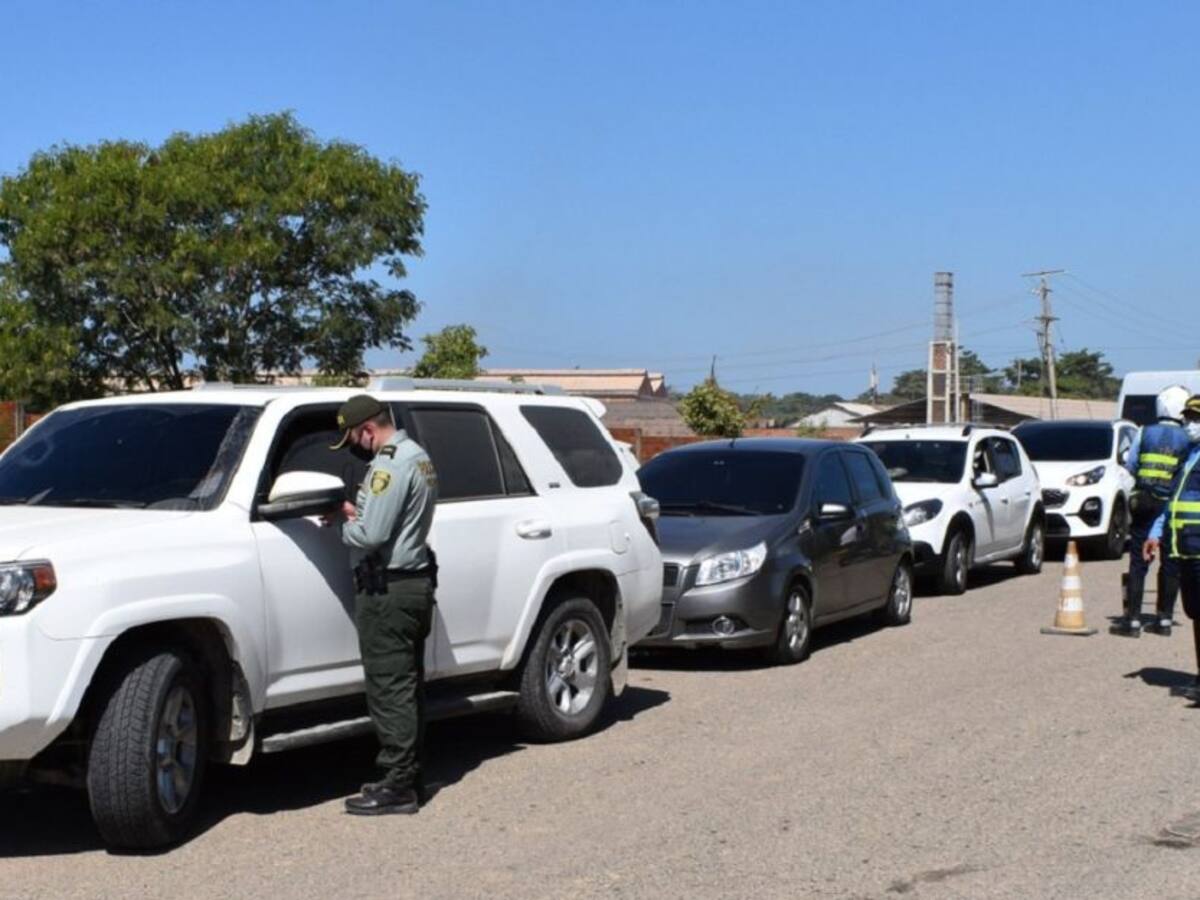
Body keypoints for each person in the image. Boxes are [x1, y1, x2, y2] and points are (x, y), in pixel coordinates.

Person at [327, 394, 439, 815]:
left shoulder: (388, 465)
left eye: (355, 439)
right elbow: (393, 518)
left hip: (388, 590)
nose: (357, 447)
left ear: (368, 429)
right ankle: (410, 775)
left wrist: (343, 521)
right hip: (411, 584)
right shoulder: (416, 456)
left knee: (389, 687)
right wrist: (360, 513)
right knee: (407, 685)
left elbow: (371, 536)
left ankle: (396, 786)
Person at [1117, 385, 1191, 636]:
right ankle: (1164, 620)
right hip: (1171, 505)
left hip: (1144, 502)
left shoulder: (1143, 432)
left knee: (1138, 562)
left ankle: (1133, 620)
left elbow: (1131, 463)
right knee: (1170, 563)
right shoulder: (1187, 438)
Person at [1143, 394, 1200, 690]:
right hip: (1184, 547)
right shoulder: (1189, 456)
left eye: (1196, 418)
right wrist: (1155, 533)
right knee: (1196, 614)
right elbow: (1172, 502)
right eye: (1189, 418)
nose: (1190, 424)